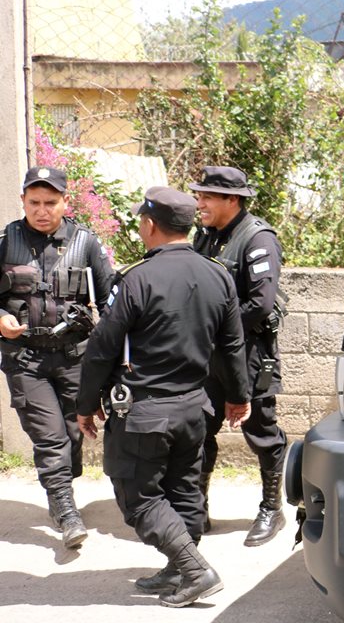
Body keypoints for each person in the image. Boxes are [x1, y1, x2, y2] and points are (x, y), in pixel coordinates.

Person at [76, 186, 251, 607]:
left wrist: (85, 406)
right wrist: (238, 396)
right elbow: (231, 347)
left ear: (150, 225)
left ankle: (195, 571)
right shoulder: (218, 275)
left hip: (145, 412)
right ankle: (180, 569)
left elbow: (102, 348)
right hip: (195, 408)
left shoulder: (136, 279)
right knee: (183, 492)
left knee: (138, 497)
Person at [0, 165, 115, 549]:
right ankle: (65, 510)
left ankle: (63, 484)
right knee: (50, 438)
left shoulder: (87, 243)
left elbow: (114, 300)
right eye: (34, 202)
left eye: (51, 202)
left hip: (75, 358)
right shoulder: (5, 242)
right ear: (23, 202)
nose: (42, 209)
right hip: (25, 359)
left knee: (72, 434)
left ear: (66, 202)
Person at [189, 165, 288, 547]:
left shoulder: (257, 239)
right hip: (208, 355)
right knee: (199, 428)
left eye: (206, 197)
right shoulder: (206, 238)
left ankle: (271, 509)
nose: (200, 203)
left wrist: (216, 328)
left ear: (232, 200)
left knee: (260, 432)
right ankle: (196, 509)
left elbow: (260, 304)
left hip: (248, 354)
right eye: (198, 196)